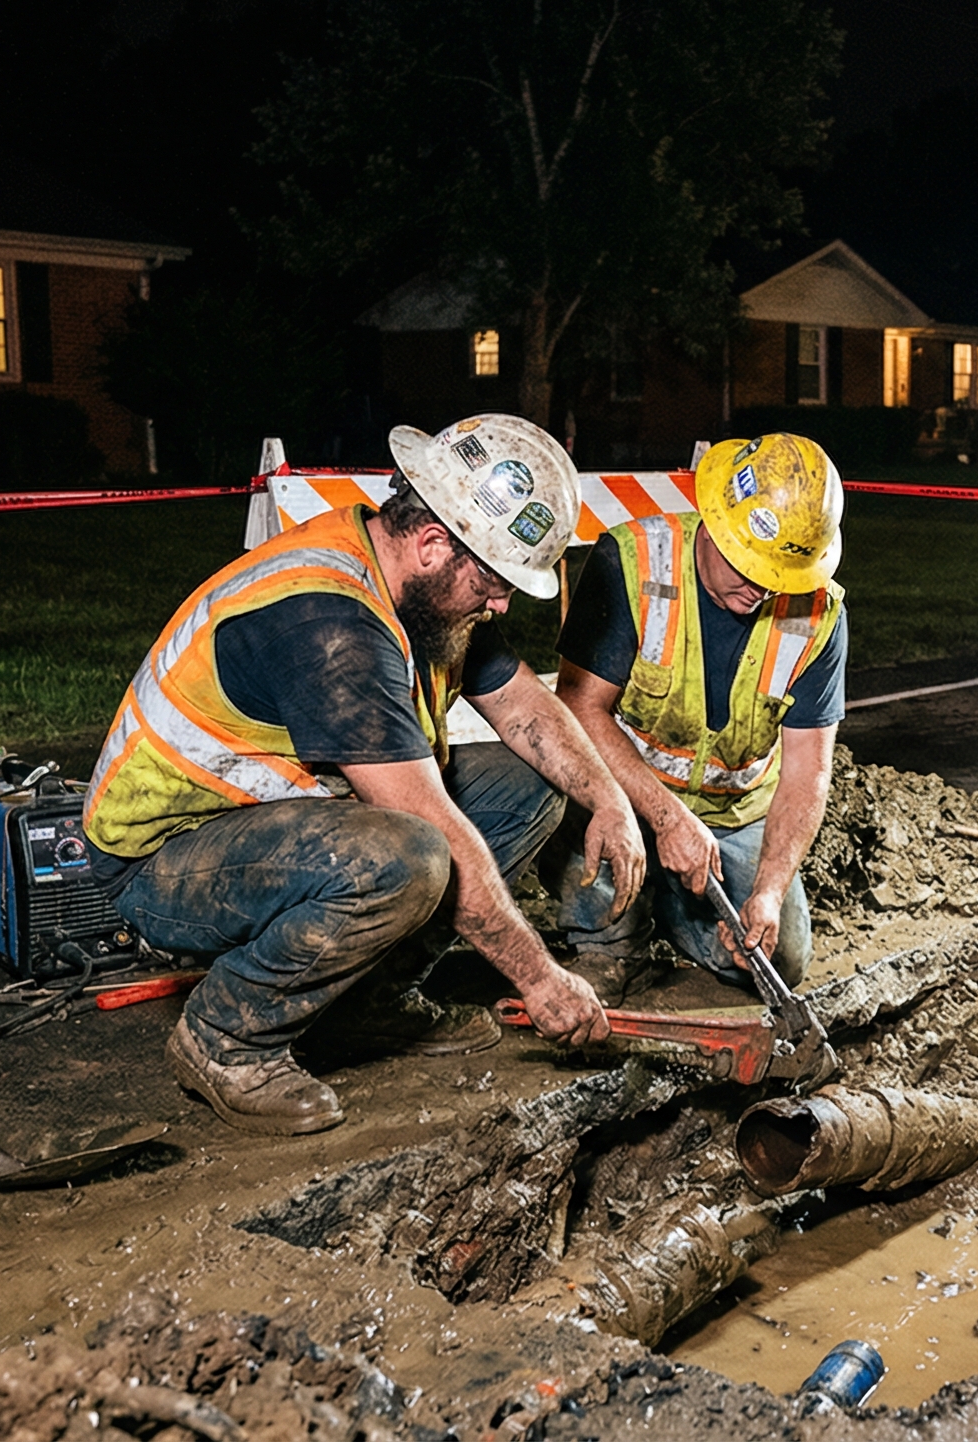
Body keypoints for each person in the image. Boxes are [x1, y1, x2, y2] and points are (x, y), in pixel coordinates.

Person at [83, 415, 645, 1135]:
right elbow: (428, 824)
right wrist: (540, 980)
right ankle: (226, 1037)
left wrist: (608, 801)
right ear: (434, 543)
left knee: (530, 788)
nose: (502, 604)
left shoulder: (420, 586)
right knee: (409, 857)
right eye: (497, 582)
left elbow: (522, 707)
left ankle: (369, 1001)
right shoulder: (329, 622)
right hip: (164, 860)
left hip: (276, 821)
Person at [552, 433, 846, 999]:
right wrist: (664, 819)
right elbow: (578, 709)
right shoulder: (634, 562)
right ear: (711, 522)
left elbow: (808, 770)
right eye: (746, 565)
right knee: (558, 779)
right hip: (623, 797)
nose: (760, 588)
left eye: (777, 577)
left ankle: (666, 903)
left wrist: (767, 889)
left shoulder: (820, 614)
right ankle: (610, 942)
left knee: (776, 960)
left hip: (734, 815)